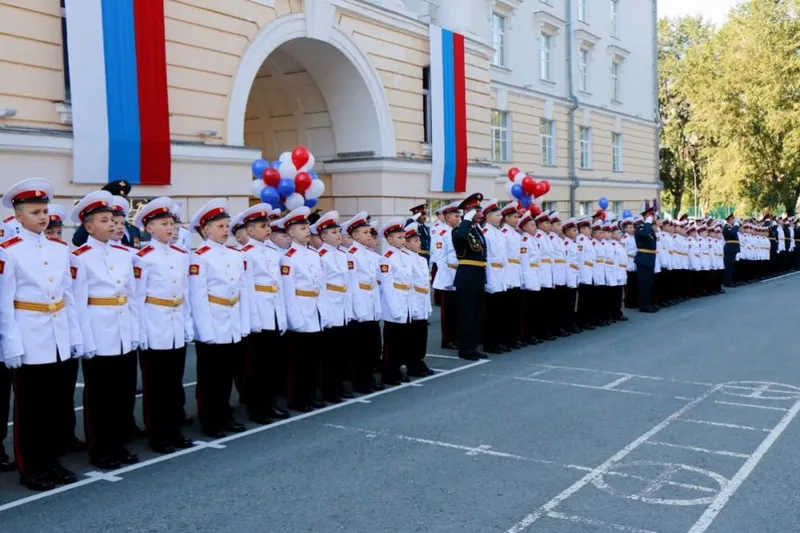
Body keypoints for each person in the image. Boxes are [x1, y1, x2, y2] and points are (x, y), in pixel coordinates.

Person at [0, 178, 81, 490]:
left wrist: (75, 337)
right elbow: (5, 304)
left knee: (54, 406)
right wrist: (11, 345)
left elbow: (68, 297)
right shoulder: (9, 252)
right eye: (35, 212)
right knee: (30, 410)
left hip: (58, 335)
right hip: (30, 336)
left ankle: (52, 462)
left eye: (45, 210)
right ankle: (31, 468)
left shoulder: (60, 249)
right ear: (19, 216)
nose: (43, 216)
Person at [70, 190, 140, 470]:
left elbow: (132, 296)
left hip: (123, 331)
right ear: (89, 227)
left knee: (122, 393)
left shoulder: (124, 254)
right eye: (103, 220)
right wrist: (84, 340)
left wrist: (135, 332)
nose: (112, 224)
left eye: (112, 219)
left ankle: (118, 444)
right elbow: (78, 303)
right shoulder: (80, 257)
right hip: (98, 332)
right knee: (100, 396)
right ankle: (100, 449)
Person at [132, 197, 195, 454]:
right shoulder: (142, 257)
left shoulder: (180, 255)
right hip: (154, 323)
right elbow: (137, 298)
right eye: (163, 223)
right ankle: (158, 434)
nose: (170, 228)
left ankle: (174, 430)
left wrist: (187, 323)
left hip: (176, 323)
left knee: (173, 382)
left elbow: (186, 293)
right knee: (155, 386)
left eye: (172, 223)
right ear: (149, 228)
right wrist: (142, 331)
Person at [188, 199, 250, 438]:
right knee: (210, 378)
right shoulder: (200, 257)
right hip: (213, 322)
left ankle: (225, 415)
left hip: (232, 321)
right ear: (206, 230)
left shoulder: (235, 255)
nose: (226, 230)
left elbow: (242, 291)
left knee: (226, 376)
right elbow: (199, 298)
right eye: (220, 226)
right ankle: (210, 420)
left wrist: (243, 325)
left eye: (226, 225)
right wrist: (205, 332)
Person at [43, 204, 87, 455]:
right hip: (42, 334)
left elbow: (73, 300)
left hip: (66, 332)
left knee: (65, 391)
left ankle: (66, 435)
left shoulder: (68, 257)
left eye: (59, 233)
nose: (56, 238)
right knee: (45, 398)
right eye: (51, 233)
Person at [278, 206, 326, 412]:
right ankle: (297, 398)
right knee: (298, 361)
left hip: (314, 310)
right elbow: (288, 293)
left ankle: (310, 393)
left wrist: (324, 312)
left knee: (313, 358)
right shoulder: (288, 258)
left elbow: (321, 287)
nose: (307, 230)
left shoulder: (314, 255)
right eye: (300, 227)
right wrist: (294, 319)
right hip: (300, 311)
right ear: (290, 233)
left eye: (307, 226)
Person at [109, 195, 147, 442]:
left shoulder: (129, 254)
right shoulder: (81, 254)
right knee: (106, 390)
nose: (117, 226)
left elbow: (134, 295)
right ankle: (108, 438)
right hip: (104, 328)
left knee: (126, 384)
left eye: (122, 221)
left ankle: (126, 426)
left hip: (126, 326)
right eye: (112, 221)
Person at [311, 210, 351, 403]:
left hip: (342, 306)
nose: (338, 235)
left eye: (338, 232)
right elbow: (322, 287)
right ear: (323, 236)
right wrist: (325, 314)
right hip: (330, 308)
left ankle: (338, 385)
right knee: (329, 354)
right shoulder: (321, 256)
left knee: (341, 351)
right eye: (334, 232)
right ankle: (328, 388)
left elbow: (347, 285)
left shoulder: (342, 255)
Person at [345, 213, 383, 393]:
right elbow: (352, 286)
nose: (369, 235)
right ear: (355, 236)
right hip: (360, 308)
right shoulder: (351, 255)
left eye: (370, 232)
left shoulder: (370, 254)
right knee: (360, 348)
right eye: (365, 232)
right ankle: (360, 381)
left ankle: (369, 378)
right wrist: (359, 310)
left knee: (373, 347)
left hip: (372, 304)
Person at [378, 217, 414, 385]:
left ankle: (398, 369)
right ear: (389, 239)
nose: (402, 240)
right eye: (399, 237)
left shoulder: (405, 256)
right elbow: (387, 286)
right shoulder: (386, 258)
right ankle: (389, 373)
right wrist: (394, 308)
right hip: (394, 302)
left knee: (403, 341)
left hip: (405, 300)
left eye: (403, 237)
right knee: (392, 343)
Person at [451, 193, 487, 361]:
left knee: (475, 315)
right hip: (467, 276)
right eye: (476, 210)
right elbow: (461, 237)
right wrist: (467, 219)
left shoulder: (475, 229)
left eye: (480, 210)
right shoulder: (459, 229)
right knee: (466, 315)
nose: (480, 213)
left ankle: (473, 346)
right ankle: (465, 349)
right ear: (468, 211)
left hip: (478, 275)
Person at [403, 221, 434, 377]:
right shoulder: (406, 259)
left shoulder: (421, 259)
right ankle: (412, 363)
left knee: (422, 335)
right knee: (413, 336)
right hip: (414, 300)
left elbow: (424, 284)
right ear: (406, 243)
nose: (419, 243)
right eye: (415, 241)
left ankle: (419, 361)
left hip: (422, 300)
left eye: (419, 240)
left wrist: (427, 305)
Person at [72, 180, 142, 248]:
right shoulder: (95, 224)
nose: (119, 201)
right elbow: (78, 240)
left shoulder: (133, 229)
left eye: (123, 199)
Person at [432, 201, 462, 350]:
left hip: (458, 272)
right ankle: (447, 340)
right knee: (448, 312)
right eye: (456, 216)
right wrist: (447, 278)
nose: (459, 219)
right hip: (448, 274)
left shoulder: (457, 231)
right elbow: (440, 258)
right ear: (448, 217)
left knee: (457, 310)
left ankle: (456, 336)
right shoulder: (442, 233)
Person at [480, 199, 506, 354]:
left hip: (501, 274)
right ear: (488, 217)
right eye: (497, 215)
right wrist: (488, 281)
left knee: (499, 312)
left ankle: (498, 340)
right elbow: (487, 259)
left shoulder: (498, 233)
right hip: (492, 275)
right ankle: (489, 343)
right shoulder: (486, 234)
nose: (500, 218)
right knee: (490, 313)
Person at [499, 202, 524, 347]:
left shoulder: (515, 234)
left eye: (517, 217)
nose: (517, 220)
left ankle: (513, 336)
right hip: (508, 272)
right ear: (506, 218)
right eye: (514, 217)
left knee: (515, 308)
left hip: (516, 272)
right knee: (507, 309)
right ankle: (507, 338)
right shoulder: (504, 233)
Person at [518, 210, 543, 345]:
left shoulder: (533, 240)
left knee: (534, 308)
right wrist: (526, 281)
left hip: (535, 275)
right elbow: (524, 262)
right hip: (529, 278)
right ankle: (526, 335)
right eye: (532, 225)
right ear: (525, 227)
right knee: (528, 309)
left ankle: (531, 333)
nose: (535, 227)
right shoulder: (525, 240)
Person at [634, 201, 658, 313]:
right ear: (646, 215)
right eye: (651, 214)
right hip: (643, 259)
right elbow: (643, 235)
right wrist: (648, 222)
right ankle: (643, 305)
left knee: (649, 283)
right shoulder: (641, 226)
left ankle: (648, 303)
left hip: (649, 258)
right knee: (643, 283)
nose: (654, 216)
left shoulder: (648, 227)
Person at [575, 216, 596, 330]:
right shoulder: (581, 240)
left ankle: (587, 319)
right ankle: (582, 320)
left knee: (588, 297)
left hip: (589, 270)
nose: (590, 229)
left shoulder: (587, 240)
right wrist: (581, 274)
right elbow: (581, 258)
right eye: (588, 228)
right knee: (584, 299)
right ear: (582, 229)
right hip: (584, 271)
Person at [723, 213, 740, 287]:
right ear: (729, 219)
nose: (734, 220)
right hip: (729, 248)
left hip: (732, 248)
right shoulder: (727, 227)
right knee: (729, 266)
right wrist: (736, 225)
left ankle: (730, 281)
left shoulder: (731, 227)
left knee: (731, 266)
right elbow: (732, 233)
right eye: (733, 219)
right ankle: (727, 282)